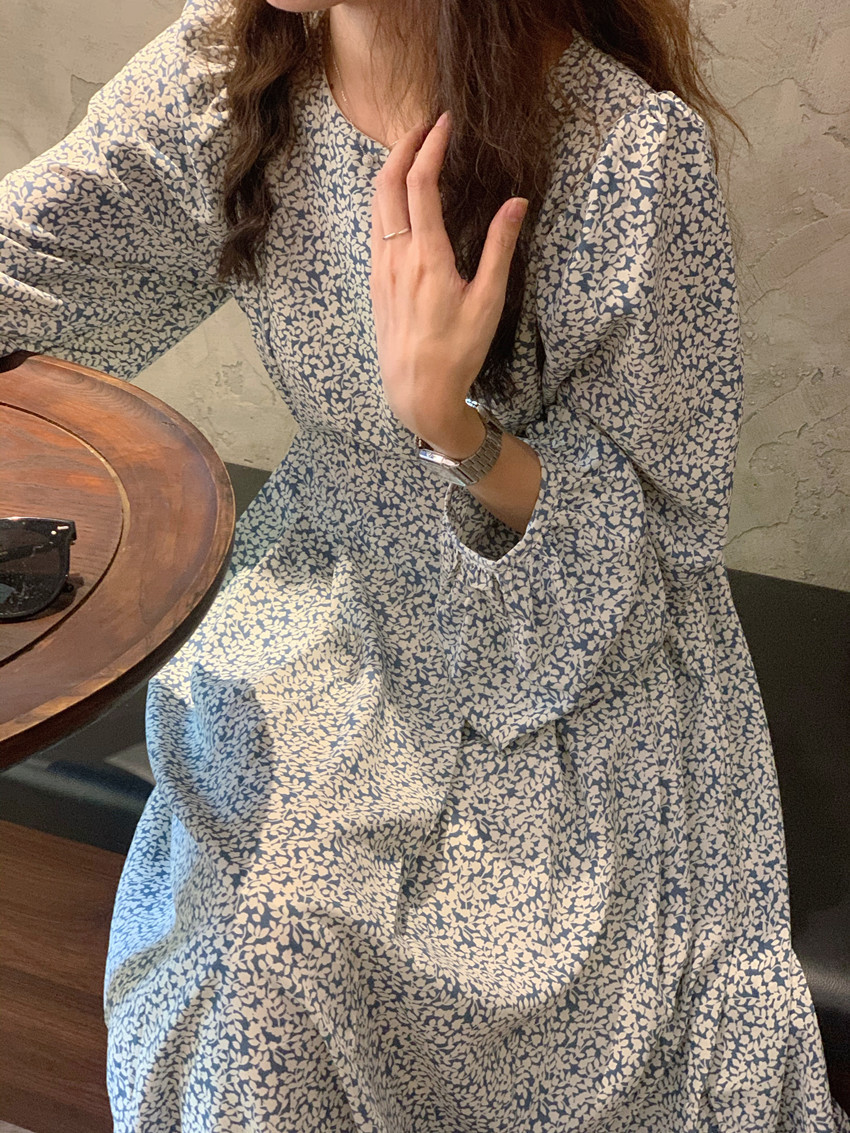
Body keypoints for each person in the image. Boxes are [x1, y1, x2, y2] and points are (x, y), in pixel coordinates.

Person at [0, 0, 847, 1128]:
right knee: (267, 939)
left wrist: (452, 425)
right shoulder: (230, 73)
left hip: (574, 648)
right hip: (329, 596)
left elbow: (656, 548)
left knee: (341, 948)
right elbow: (31, 259)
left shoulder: (623, 151)